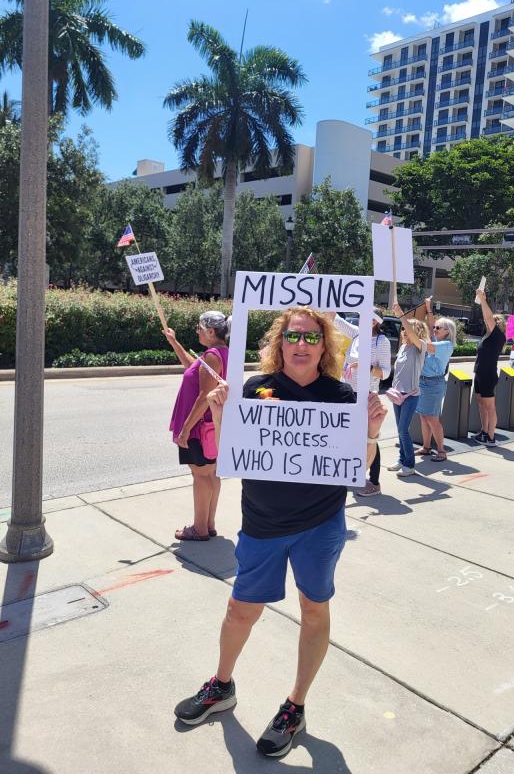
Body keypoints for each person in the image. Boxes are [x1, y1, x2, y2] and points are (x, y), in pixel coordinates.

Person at [173, 306, 388, 756]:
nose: (302, 345)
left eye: (312, 338)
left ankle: (295, 706)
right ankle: (222, 685)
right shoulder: (255, 389)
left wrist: (370, 432)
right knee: (240, 612)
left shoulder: (342, 395)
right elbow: (234, 454)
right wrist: (221, 412)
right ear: (280, 342)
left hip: (320, 526)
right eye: (294, 336)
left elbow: (359, 468)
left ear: (325, 346)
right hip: (262, 523)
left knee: (314, 609)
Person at [165, 311, 230, 541]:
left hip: (200, 427)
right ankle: (208, 524)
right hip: (211, 426)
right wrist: (174, 342)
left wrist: (185, 429)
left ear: (211, 332)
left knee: (201, 475)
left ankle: (199, 528)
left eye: (199, 328)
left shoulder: (212, 356)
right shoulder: (219, 353)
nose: (197, 331)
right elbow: (192, 367)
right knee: (210, 473)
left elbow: (204, 397)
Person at [333, 309, 391, 496]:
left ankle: (374, 481)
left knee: (370, 436)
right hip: (348, 391)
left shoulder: (381, 341)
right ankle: (352, 473)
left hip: (366, 394)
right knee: (350, 436)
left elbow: (386, 372)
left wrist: (365, 366)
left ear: (375, 322)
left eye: (365, 317)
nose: (361, 319)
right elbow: (335, 318)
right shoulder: (357, 334)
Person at [387, 307, 429, 476]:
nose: (404, 332)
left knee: (404, 429)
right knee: (400, 429)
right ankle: (402, 459)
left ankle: (410, 465)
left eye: (406, 329)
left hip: (410, 396)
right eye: (403, 330)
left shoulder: (421, 347)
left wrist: (401, 316)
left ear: (415, 331)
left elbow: (412, 335)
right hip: (398, 395)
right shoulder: (403, 348)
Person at [414, 298, 456, 462]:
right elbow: (431, 326)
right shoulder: (437, 340)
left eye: (439, 327)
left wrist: (413, 334)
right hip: (423, 381)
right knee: (424, 416)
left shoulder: (445, 345)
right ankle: (426, 447)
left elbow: (426, 345)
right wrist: (429, 309)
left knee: (432, 418)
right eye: (435, 327)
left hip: (434, 383)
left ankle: (441, 450)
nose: (435, 329)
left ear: (448, 331)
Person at [471, 291, 507, 447]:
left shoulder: (498, 335)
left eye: (495, 320)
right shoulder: (488, 336)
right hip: (480, 373)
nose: (490, 322)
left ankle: (491, 437)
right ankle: (484, 432)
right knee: (481, 404)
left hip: (487, 374)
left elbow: (488, 317)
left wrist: (483, 300)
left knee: (490, 407)